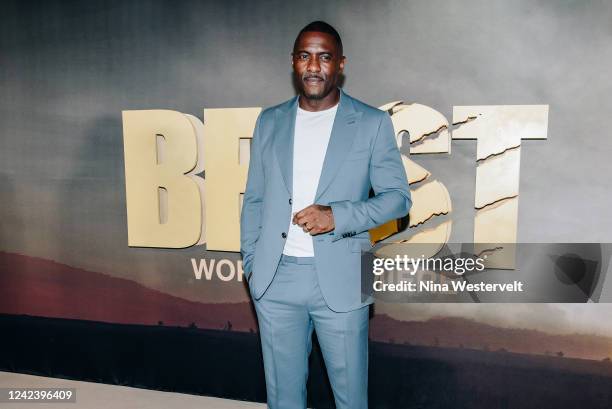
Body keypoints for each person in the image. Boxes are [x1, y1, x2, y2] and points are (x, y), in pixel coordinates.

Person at [240, 20, 412, 409]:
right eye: (305, 56)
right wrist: (253, 265)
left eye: (324, 57)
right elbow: (254, 199)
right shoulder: (270, 121)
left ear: (340, 64)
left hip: (346, 278)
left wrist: (338, 215)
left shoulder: (372, 122)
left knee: (351, 400)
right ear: (294, 63)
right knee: (282, 400)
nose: (313, 66)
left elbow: (398, 200)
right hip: (275, 281)